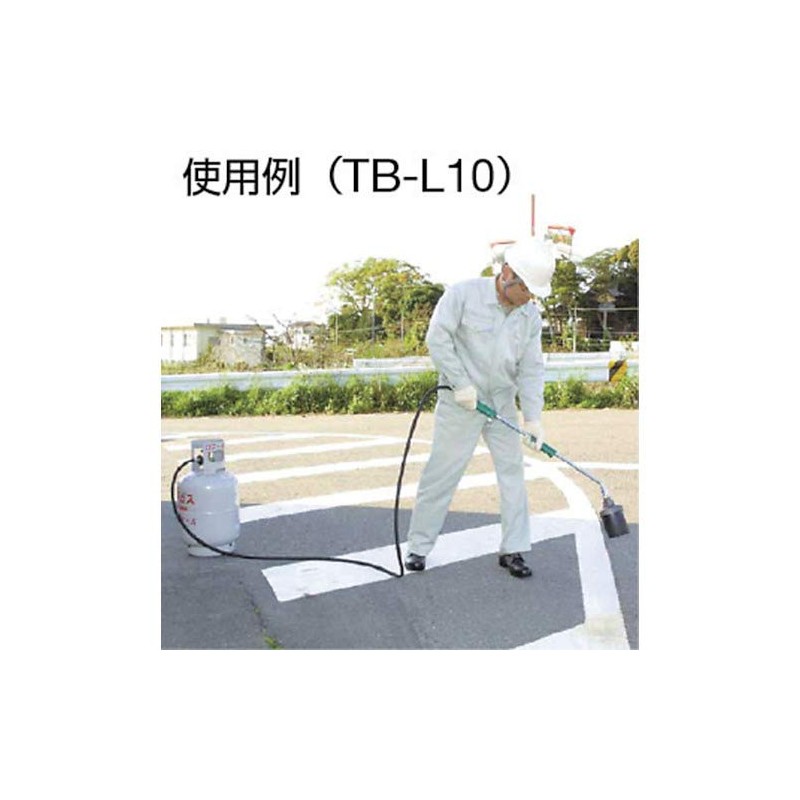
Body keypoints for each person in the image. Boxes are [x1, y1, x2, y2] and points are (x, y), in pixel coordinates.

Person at [405, 237, 556, 579]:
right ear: (508, 274)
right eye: (526, 289)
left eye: (534, 293)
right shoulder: (463, 295)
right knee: (442, 473)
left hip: (500, 401)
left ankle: (514, 548)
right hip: (460, 401)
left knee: (512, 473)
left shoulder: (529, 316)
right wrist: (460, 383)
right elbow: (437, 338)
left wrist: (533, 418)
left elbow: (531, 368)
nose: (529, 297)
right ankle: (418, 547)